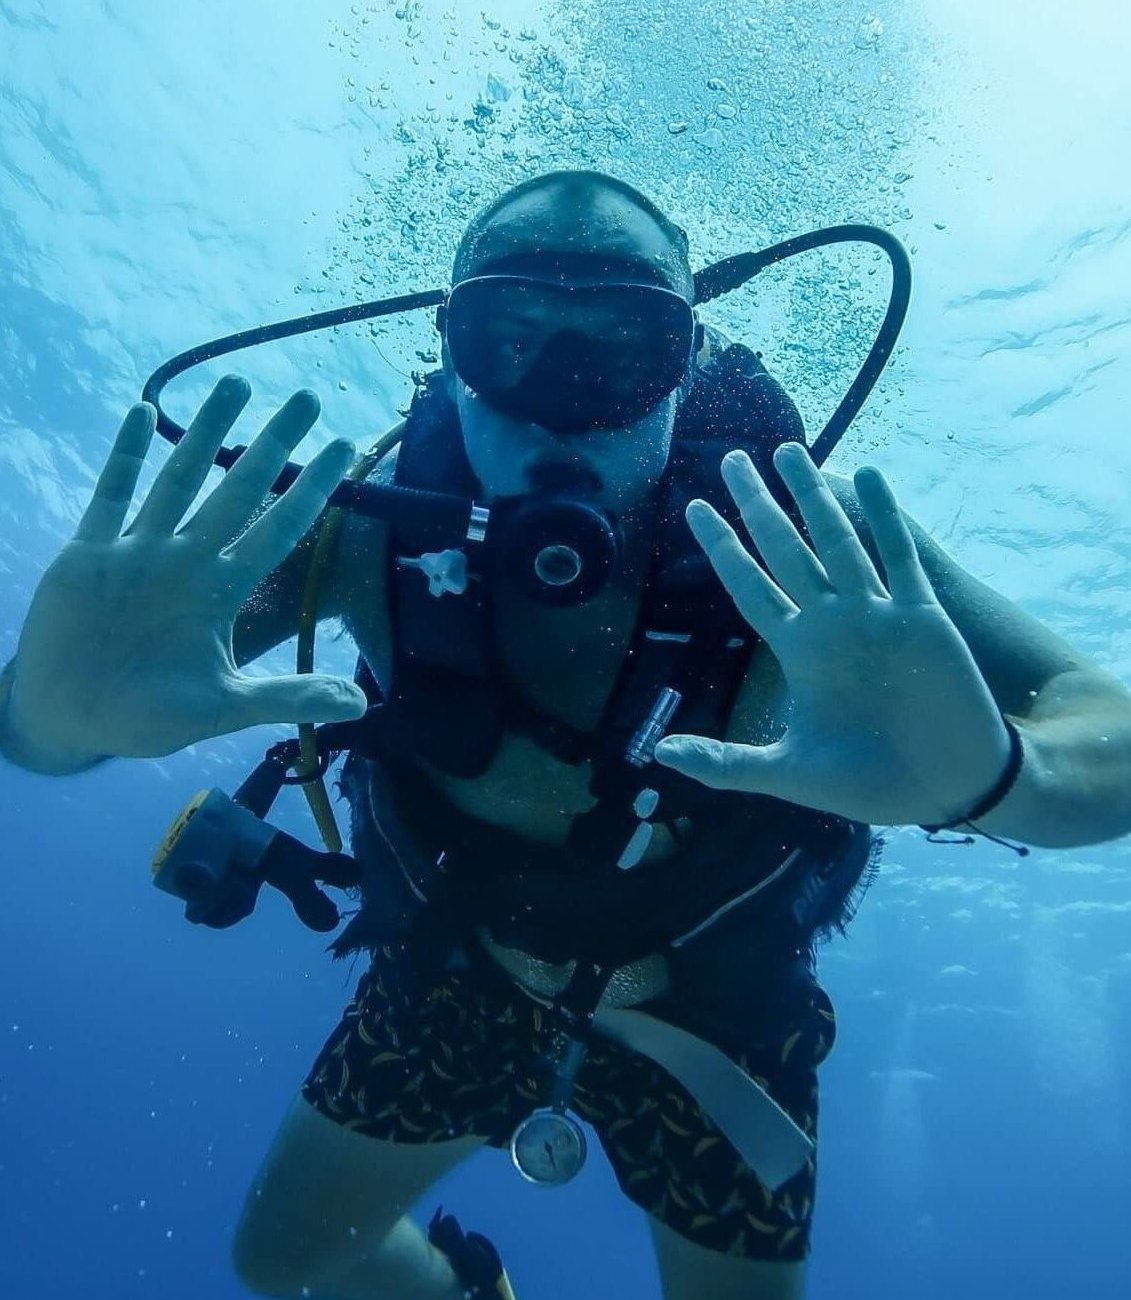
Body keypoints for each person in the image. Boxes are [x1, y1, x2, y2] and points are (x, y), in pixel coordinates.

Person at [3, 170, 1131, 1300]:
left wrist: (1004, 776)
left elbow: (1106, 729)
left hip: (721, 1011)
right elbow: (37, 735)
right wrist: (49, 716)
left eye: (623, 347)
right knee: (284, 1261)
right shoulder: (357, 530)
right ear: (451, 352)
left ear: (687, 360)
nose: (559, 403)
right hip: (457, 968)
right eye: (510, 338)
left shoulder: (813, 553)